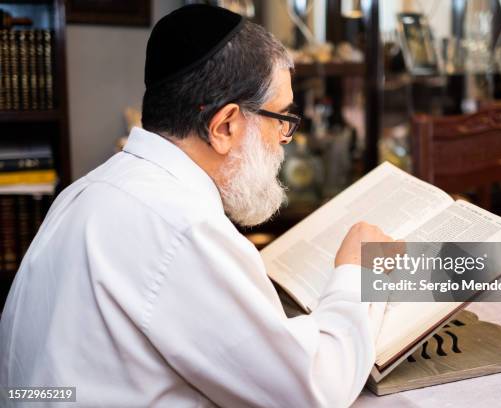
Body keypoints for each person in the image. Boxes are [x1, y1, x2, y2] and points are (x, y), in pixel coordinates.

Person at [0, 5, 392, 407]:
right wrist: (357, 273)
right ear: (225, 126)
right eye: (281, 119)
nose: (284, 139)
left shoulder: (90, 190)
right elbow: (310, 392)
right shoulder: (180, 226)